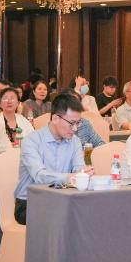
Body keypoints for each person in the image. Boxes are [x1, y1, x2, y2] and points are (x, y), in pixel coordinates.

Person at [14, 93, 87, 224]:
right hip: (30, 202)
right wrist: (69, 177)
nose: (75, 128)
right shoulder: (31, 141)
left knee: (89, 212)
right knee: (67, 217)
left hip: (62, 199)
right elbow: (39, 176)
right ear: (55, 118)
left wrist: (83, 174)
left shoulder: (75, 141)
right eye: (71, 123)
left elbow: (78, 168)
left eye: (78, 123)